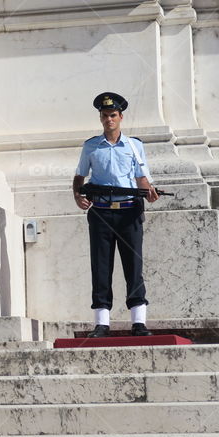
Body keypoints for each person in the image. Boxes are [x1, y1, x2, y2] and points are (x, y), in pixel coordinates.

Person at [72, 93, 158, 338]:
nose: (109, 119)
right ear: (100, 118)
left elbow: (142, 177)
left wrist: (149, 191)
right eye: (104, 116)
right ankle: (102, 322)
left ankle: (138, 321)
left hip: (129, 210)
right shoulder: (91, 146)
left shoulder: (134, 145)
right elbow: (79, 177)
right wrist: (78, 196)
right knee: (101, 267)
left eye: (113, 115)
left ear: (121, 117)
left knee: (134, 266)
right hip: (100, 212)